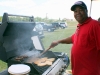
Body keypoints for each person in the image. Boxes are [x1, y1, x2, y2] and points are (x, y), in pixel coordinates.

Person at [48, 1, 100, 75]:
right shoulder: (80, 25)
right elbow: (73, 38)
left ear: (86, 11)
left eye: (81, 10)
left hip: (89, 72)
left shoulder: (95, 25)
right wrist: (58, 41)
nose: (78, 13)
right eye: (75, 11)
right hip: (77, 71)